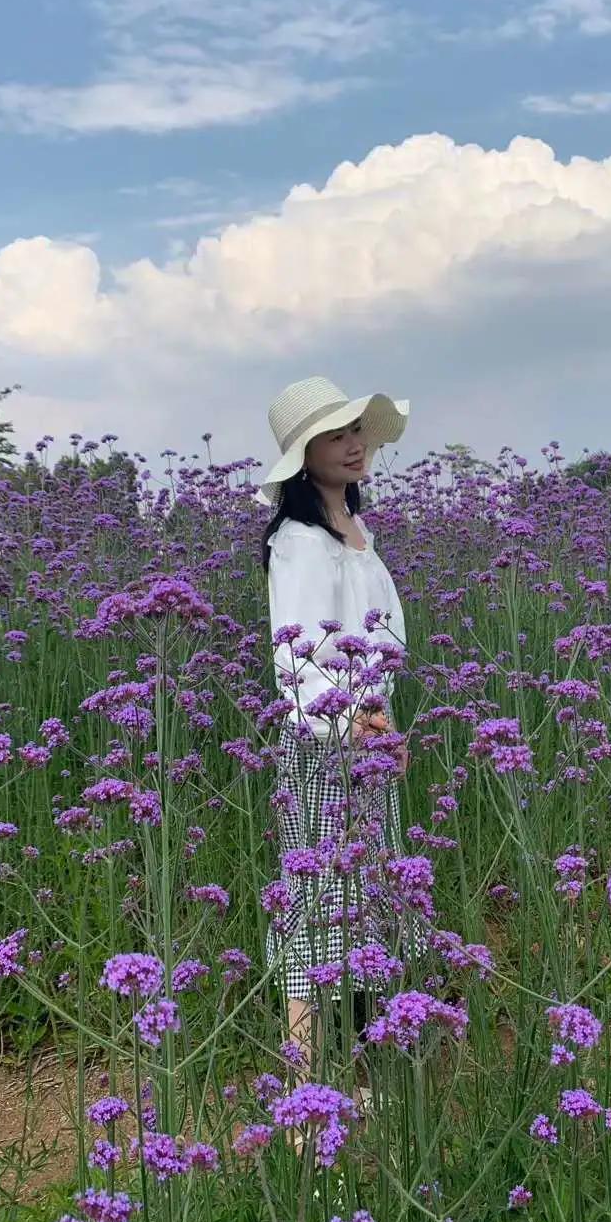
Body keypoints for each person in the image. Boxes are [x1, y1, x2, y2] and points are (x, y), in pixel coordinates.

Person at [256, 377, 419, 1097]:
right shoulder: (298, 543)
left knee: (366, 900)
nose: (354, 445)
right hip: (324, 744)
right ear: (304, 458)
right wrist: (348, 720)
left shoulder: (355, 534)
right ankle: (304, 1082)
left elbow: (373, 642)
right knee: (318, 901)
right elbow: (294, 659)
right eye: (334, 436)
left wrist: (383, 725)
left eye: (357, 430)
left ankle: (359, 1070)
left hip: (367, 737)